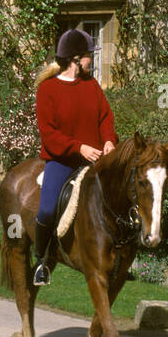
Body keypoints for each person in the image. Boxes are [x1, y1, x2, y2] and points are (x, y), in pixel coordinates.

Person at [31, 28, 117, 285]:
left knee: (120, 195)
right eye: (89, 55)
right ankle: (41, 262)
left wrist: (110, 139)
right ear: (75, 59)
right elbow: (49, 134)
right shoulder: (47, 90)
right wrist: (79, 148)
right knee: (46, 210)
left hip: (95, 159)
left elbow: (105, 118)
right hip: (62, 160)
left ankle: (119, 257)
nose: (92, 59)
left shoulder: (92, 85)